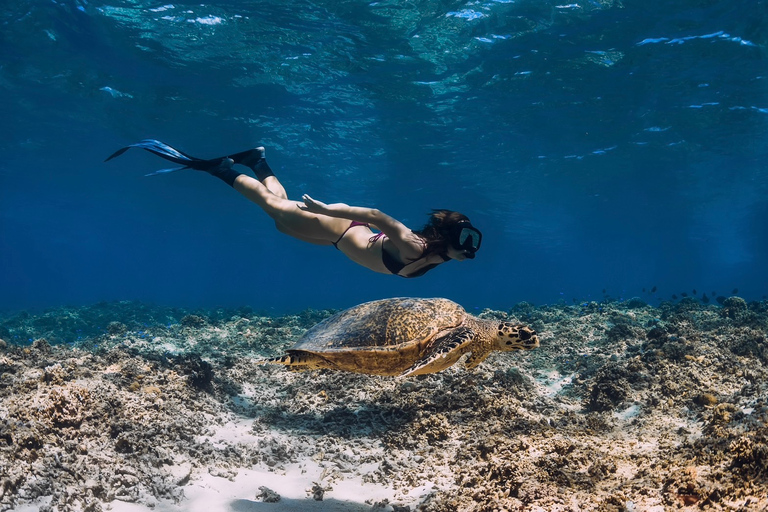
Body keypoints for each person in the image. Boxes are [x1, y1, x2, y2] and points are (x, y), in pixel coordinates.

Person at [106, 140, 483, 278]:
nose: (470, 248)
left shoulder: (437, 257)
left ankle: (256, 160)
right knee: (272, 206)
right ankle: (218, 169)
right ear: (448, 239)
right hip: (338, 226)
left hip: (336, 239)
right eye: (466, 240)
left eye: (470, 241)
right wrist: (327, 208)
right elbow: (376, 215)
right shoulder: (415, 246)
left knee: (280, 222)